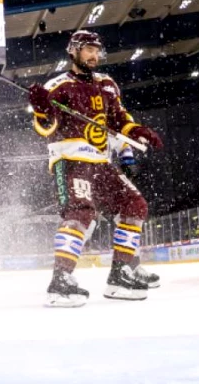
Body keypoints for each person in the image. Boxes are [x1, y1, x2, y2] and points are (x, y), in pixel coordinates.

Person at [27, 30, 163, 307]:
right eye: (88, 49)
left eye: (96, 50)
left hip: (101, 162)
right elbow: (46, 128)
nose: (93, 55)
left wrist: (136, 130)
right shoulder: (58, 86)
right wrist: (42, 110)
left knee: (134, 204)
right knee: (81, 214)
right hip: (72, 160)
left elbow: (119, 118)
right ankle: (60, 280)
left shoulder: (107, 84)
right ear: (73, 51)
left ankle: (121, 273)